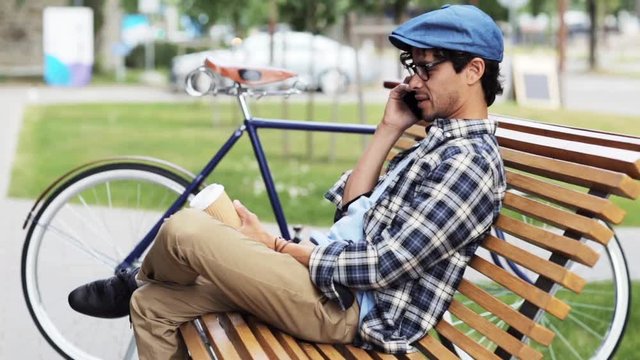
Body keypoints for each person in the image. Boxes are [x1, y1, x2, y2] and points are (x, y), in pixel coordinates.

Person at [68, 4, 506, 357]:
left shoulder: (469, 164)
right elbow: (350, 211)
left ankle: (136, 279)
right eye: (412, 65)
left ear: (473, 71)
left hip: (348, 308)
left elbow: (381, 266)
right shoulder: (437, 144)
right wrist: (388, 129)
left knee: (185, 229)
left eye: (427, 68)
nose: (413, 79)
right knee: (153, 307)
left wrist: (275, 245)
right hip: (322, 282)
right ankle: (142, 287)